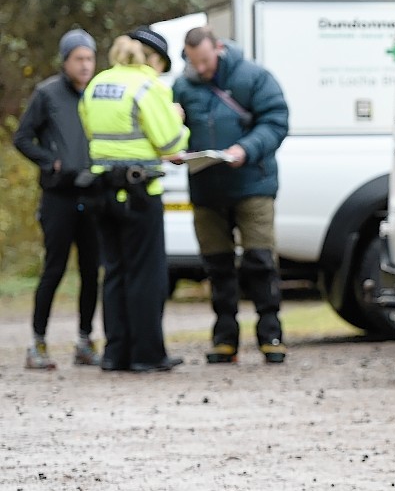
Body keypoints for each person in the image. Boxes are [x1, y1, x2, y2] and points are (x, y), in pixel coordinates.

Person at [172, 27, 290, 364]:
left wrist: (245, 149)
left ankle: (271, 335)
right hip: (207, 188)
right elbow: (170, 129)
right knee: (217, 265)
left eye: (206, 62)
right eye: (196, 63)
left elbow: (277, 121)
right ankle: (225, 338)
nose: (203, 69)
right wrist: (177, 146)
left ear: (219, 49)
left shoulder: (254, 77)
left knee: (260, 261)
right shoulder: (182, 86)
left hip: (253, 184)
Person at [80, 27, 189, 372]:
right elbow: (171, 144)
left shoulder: (96, 84)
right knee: (146, 273)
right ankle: (147, 354)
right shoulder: (149, 86)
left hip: (101, 188)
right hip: (140, 191)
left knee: (113, 271)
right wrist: (179, 121)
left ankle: (116, 353)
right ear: (149, 58)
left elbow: (89, 130)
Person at [13, 29, 103, 370]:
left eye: (89, 58)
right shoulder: (47, 94)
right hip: (58, 196)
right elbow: (23, 138)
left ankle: (84, 340)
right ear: (65, 61)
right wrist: (50, 161)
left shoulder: (98, 93)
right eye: (78, 59)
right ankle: (38, 343)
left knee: (91, 271)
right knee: (54, 269)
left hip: (92, 193)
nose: (85, 65)